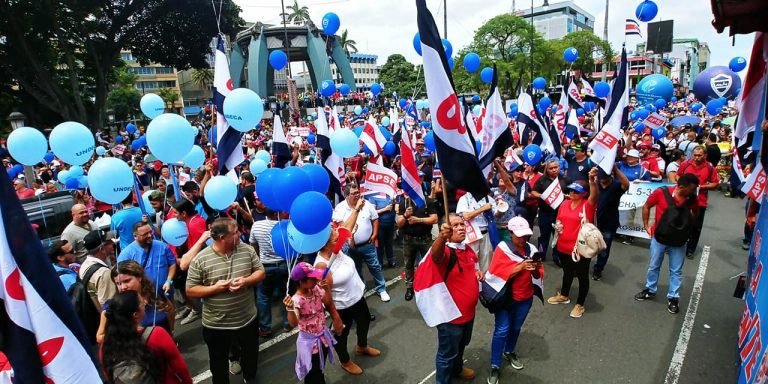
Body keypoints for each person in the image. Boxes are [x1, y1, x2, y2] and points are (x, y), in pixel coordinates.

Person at [186, 217, 266, 384]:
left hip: (247, 319)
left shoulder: (246, 250)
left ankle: (250, 377)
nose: (240, 234)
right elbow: (191, 290)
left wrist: (246, 281)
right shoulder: (200, 260)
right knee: (218, 361)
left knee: (251, 352)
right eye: (235, 232)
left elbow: (260, 272)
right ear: (222, 237)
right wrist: (216, 288)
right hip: (217, 324)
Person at [315, 199, 381, 375]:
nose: (338, 234)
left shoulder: (335, 248)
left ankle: (362, 346)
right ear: (326, 244)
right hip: (342, 306)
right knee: (341, 334)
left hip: (357, 297)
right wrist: (335, 317)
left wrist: (357, 210)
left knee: (364, 321)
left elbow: (346, 227)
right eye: (334, 235)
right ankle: (345, 361)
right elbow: (325, 296)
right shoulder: (321, 265)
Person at [486, 217, 543, 384]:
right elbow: (496, 276)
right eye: (519, 236)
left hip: (525, 297)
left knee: (516, 327)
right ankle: (495, 365)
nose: (523, 239)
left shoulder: (532, 249)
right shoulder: (503, 249)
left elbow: (538, 275)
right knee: (502, 330)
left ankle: (509, 351)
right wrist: (521, 267)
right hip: (505, 299)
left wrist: (535, 269)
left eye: (525, 235)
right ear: (510, 233)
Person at [635, 174, 700, 314]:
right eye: (692, 189)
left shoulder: (693, 199)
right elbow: (647, 206)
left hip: (679, 241)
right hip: (659, 238)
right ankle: (650, 290)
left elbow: (695, 214)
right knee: (654, 266)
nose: (694, 192)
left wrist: (687, 228)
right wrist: (646, 226)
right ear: (681, 187)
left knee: (676, 271)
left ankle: (673, 298)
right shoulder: (661, 192)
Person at [430, 214, 483, 383]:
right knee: (447, 354)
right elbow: (435, 256)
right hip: (451, 317)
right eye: (455, 225)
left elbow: (472, 267)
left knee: (461, 346)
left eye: (462, 224)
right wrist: (441, 237)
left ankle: (457, 369)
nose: (461, 228)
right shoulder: (445, 251)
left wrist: (477, 272)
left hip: (468, 314)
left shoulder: (467, 249)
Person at [100, 291, 192, 384]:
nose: (144, 302)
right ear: (135, 315)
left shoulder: (105, 347)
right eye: (141, 302)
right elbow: (179, 366)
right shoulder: (157, 334)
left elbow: (109, 375)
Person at [546, 169, 599, 319]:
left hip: (580, 249)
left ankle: (580, 304)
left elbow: (594, 195)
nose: (572, 193)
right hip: (563, 246)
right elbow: (559, 219)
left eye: (576, 191)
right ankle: (564, 295)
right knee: (567, 272)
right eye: (570, 190)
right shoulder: (564, 204)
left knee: (582, 276)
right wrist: (558, 225)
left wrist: (591, 181)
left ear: (584, 194)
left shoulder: (588, 205)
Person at [284, 262, 344, 384]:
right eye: (312, 278)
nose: (316, 279)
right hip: (310, 345)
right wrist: (290, 309)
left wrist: (326, 289)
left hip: (323, 338)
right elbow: (293, 322)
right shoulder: (297, 300)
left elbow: (327, 302)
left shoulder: (315, 289)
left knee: (320, 369)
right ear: (301, 282)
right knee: (312, 373)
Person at [332, 184, 390, 302]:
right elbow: (343, 227)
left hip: (368, 244)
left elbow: (375, 219)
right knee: (356, 269)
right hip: (350, 247)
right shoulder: (339, 208)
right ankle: (361, 287)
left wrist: (374, 234)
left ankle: (381, 288)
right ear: (346, 195)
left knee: (375, 266)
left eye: (358, 192)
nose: (357, 195)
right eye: (354, 193)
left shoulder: (366, 204)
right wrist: (356, 209)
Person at [248, 209, 290, 338]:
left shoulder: (256, 225)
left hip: (265, 266)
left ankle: (265, 327)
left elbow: (253, 245)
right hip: (283, 264)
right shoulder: (286, 225)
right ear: (277, 213)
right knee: (286, 294)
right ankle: (288, 323)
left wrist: (257, 261)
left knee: (263, 297)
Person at [395, 189, 438, 301]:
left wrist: (418, 220)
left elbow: (434, 219)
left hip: (425, 238)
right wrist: (405, 215)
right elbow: (399, 223)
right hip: (408, 239)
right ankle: (409, 287)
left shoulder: (427, 201)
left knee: (429, 263)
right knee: (408, 264)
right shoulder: (404, 202)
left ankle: (430, 286)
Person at [677, 146, 719, 259]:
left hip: (700, 201)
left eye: (699, 155)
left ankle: (690, 249)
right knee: (679, 223)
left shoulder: (710, 167)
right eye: (695, 155)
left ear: (705, 155)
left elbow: (715, 183)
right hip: (683, 199)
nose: (696, 158)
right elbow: (678, 176)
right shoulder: (685, 164)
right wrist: (683, 185)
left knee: (696, 227)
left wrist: (701, 187)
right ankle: (676, 244)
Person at [118, 222, 178, 297]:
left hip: (166, 292)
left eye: (150, 232)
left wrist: (169, 281)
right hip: (144, 297)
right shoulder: (126, 254)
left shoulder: (162, 246)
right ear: (135, 236)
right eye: (145, 234)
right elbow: (122, 277)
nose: (149, 235)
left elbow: (172, 264)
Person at [592, 165, 630, 281]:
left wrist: (616, 169)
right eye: (600, 178)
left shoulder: (616, 185)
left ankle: (598, 269)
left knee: (604, 248)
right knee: (588, 244)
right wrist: (591, 178)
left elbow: (626, 185)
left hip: (609, 223)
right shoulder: (596, 183)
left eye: (604, 179)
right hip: (594, 221)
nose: (602, 181)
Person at [529, 159, 565, 264]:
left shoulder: (564, 180)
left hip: (559, 214)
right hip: (544, 212)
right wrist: (543, 196)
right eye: (551, 168)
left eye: (556, 167)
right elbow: (533, 192)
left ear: (559, 167)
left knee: (557, 236)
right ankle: (541, 254)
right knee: (544, 235)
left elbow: (571, 194)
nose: (554, 170)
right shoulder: (542, 179)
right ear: (547, 169)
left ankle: (557, 257)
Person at [456, 188, 494, 272]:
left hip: (486, 233)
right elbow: (466, 216)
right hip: (472, 235)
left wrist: (501, 208)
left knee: (486, 262)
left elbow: (495, 215)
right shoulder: (464, 199)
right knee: (472, 262)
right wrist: (483, 208)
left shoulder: (488, 198)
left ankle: (484, 279)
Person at [366, 191, 396, 268]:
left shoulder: (389, 194)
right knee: (380, 245)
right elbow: (372, 213)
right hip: (380, 225)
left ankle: (391, 259)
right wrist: (385, 209)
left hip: (390, 224)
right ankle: (380, 262)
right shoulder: (373, 196)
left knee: (389, 243)